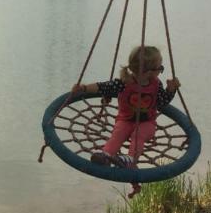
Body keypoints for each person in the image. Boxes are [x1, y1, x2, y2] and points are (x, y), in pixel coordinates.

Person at [70, 45, 180, 199]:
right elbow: (103, 87)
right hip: (125, 120)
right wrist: (83, 88)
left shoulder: (156, 85)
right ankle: (106, 155)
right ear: (149, 71)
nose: (160, 71)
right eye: (160, 68)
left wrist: (170, 90)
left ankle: (130, 159)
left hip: (147, 123)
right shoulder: (124, 82)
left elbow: (161, 103)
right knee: (118, 134)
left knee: (138, 135)